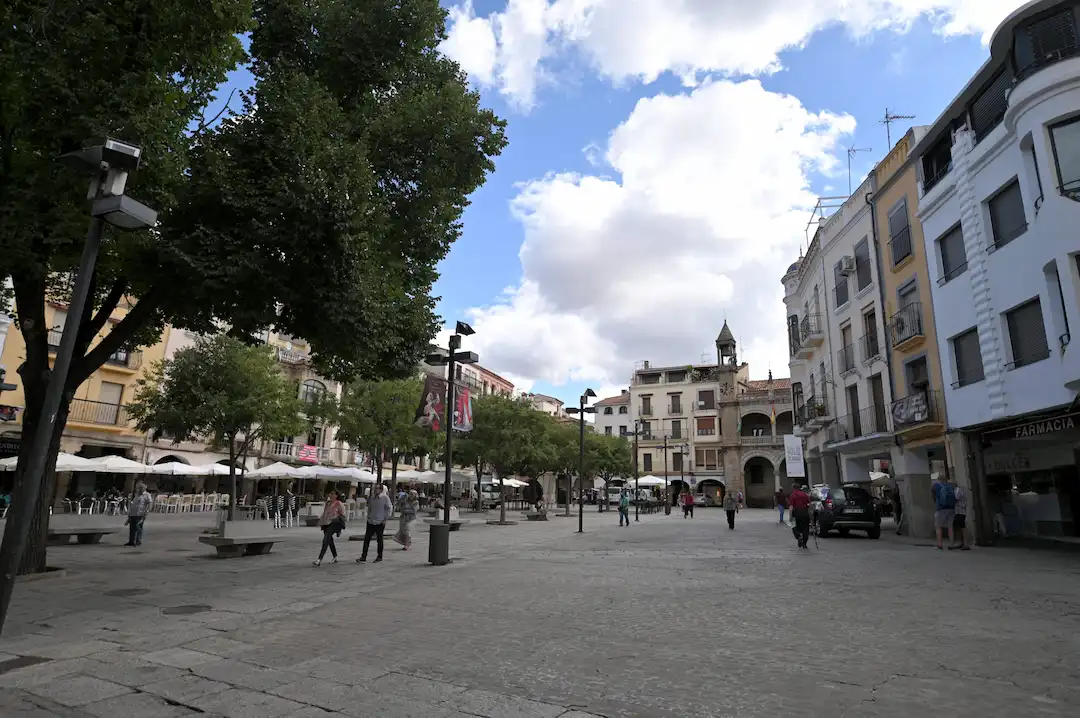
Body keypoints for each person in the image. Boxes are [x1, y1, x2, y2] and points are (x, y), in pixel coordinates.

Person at [358, 484, 393, 563]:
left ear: (381, 490)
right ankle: (363, 556)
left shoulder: (385, 498)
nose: (375, 490)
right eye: (374, 488)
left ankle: (379, 556)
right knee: (367, 539)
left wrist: (385, 519)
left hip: (380, 521)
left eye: (377, 488)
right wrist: (368, 517)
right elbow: (369, 508)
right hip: (371, 521)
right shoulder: (372, 498)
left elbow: (389, 508)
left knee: (379, 539)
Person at [313, 490, 345, 566]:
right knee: (329, 540)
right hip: (326, 523)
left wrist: (337, 523)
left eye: (332, 494)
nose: (330, 495)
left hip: (333, 523)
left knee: (325, 540)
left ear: (336, 495)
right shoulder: (328, 503)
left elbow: (342, 516)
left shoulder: (339, 504)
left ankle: (319, 559)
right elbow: (325, 514)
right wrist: (321, 522)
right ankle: (335, 556)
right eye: (330, 493)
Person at [931, 473, 956, 551]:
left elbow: (933, 493)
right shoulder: (950, 486)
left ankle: (939, 544)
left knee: (938, 526)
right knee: (950, 527)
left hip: (941, 509)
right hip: (951, 508)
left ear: (939, 479)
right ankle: (951, 545)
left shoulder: (936, 486)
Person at [124, 482, 153, 547]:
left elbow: (150, 503)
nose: (139, 489)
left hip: (140, 513)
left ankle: (138, 541)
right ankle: (131, 541)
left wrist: (147, 511)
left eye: (141, 488)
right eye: (139, 488)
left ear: (144, 488)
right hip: (133, 513)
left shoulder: (147, 495)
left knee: (138, 528)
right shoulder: (136, 495)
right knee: (132, 528)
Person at [789, 484, 812, 549]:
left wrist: (790, 516)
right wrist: (810, 514)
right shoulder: (805, 495)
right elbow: (809, 505)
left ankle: (798, 537)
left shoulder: (793, 495)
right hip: (805, 513)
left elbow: (791, 507)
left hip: (796, 513)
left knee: (795, 527)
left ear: (793, 488)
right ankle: (804, 543)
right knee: (805, 528)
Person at [950, 479, 971, 551]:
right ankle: (961, 542)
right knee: (958, 526)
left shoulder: (957, 490)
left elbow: (955, 498)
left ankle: (966, 544)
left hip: (960, 511)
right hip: (958, 511)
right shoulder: (957, 490)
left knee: (962, 526)